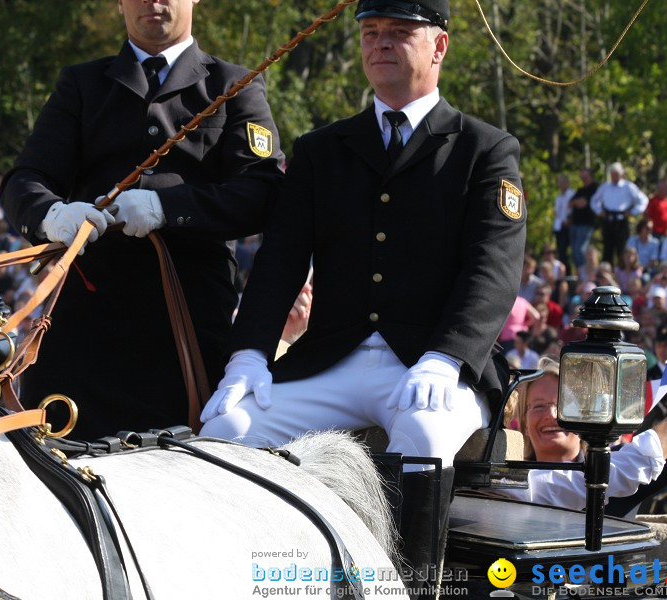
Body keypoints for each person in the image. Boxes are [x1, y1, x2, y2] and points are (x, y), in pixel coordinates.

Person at [200, 0, 526, 471]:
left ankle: (411, 551)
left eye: (399, 31)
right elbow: (280, 261)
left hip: (431, 363)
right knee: (226, 432)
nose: (381, 43)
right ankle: (272, 552)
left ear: (440, 46)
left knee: (423, 435)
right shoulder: (322, 149)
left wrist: (447, 356)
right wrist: (248, 354)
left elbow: (493, 268)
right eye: (370, 32)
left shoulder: (485, 149)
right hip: (333, 359)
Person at [1, 0, 285, 438]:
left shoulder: (235, 84)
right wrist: (52, 215)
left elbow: (260, 192)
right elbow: (26, 179)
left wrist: (165, 207)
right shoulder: (82, 84)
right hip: (84, 328)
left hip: (188, 326)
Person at [500, 323, 667, 513]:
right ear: (524, 423)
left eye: (565, 405)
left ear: (587, 419)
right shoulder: (505, 482)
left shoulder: (621, 465)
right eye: (539, 406)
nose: (551, 414)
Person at [590, 162, 648, 268]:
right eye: (612, 174)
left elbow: (643, 200)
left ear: (621, 174)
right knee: (607, 248)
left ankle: (622, 271)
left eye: (616, 174)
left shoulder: (628, 186)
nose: (614, 176)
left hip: (621, 220)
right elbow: (594, 201)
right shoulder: (605, 187)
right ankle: (607, 271)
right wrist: (599, 211)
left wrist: (633, 212)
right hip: (608, 219)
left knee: (622, 248)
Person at [568, 167, 598, 274]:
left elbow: (584, 203)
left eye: (585, 177)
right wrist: (578, 202)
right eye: (582, 177)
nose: (583, 179)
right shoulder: (580, 190)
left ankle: (586, 274)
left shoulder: (595, 188)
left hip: (586, 224)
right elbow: (570, 204)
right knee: (574, 251)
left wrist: (579, 202)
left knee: (581, 250)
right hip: (575, 224)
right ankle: (579, 274)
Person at [552, 174, 573, 269]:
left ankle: (568, 270)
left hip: (568, 226)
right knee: (560, 251)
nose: (560, 184)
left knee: (566, 251)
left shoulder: (572, 194)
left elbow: (572, 210)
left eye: (562, 182)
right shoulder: (558, 197)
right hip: (559, 226)